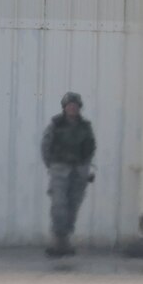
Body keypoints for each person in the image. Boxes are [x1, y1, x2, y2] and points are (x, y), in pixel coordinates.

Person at [40, 92, 96, 258]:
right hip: (60, 169)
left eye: (75, 105)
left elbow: (91, 147)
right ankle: (57, 240)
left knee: (73, 205)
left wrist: (85, 166)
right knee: (59, 204)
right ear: (64, 107)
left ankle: (66, 240)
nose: (72, 108)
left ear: (79, 107)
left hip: (79, 170)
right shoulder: (55, 124)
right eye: (69, 105)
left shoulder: (85, 126)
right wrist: (51, 165)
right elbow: (46, 146)